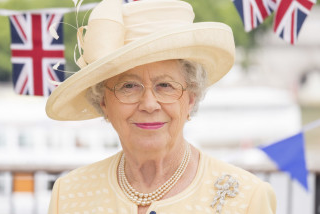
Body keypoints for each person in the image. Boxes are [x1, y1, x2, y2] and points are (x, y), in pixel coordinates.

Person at [46, 0, 277, 213]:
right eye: (129, 86)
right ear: (103, 102)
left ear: (191, 97)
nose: (149, 104)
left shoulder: (247, 199)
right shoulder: (67, 195)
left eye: (165, 85)